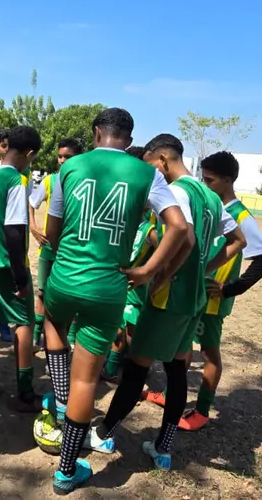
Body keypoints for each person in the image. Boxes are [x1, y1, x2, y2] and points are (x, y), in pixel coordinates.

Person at [40, 109, 189, 494]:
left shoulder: (70, 167)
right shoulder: (148, 174)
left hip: (65, 277)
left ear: (96, 133)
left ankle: (58, 400)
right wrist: (148, 271)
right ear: (128, 137)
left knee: (52, 325)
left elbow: (53, 231)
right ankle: (66, 470)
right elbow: (179, 227)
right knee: (86, 380)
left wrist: (68, 256)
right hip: (109, 287)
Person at [87, 134, 247, 472]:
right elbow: (237, 240)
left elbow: (185, 239)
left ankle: (102, 432)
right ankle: (163, 447)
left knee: (136, 371)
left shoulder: (177, 192)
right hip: (194, 301)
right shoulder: (211, 196)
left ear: (161, 159)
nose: (150, 177)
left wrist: (157, 272)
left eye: (150, 168)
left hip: (168, 300)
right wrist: (206, 266)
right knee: (176, 372)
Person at [145, 151, 262, 431]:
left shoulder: (239, 214)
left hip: (213, 301)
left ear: (228, 180)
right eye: (202, 178)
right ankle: (171, 395)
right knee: (182, 349)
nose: (204, 185)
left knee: (209, 354)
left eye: (210, 180)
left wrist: (229, 289)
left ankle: (202, 410)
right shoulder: (207, 204)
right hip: (194, 293)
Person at [0, 125, 43, 411]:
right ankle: (26, 392)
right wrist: (20, 277)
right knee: (25, 324)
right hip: (7, 264)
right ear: (28, 153)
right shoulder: (15, 180)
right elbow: (14, 230)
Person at [100, 147, 161, 382]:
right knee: (117, 327)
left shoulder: (149, 222)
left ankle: (131, 372)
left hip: (135, 285)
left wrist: (151, 270)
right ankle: (120, 364)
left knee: (129, 328)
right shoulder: (119, 207)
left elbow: (168, 241)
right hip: (112, 278)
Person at [28, 138, 83, 351]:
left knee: (73, 296)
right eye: (60, 156)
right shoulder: (50, 181)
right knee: (42, 292)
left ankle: (69, 338)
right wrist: (33, 228)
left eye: (67, 157)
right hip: (49, 249)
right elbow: (32, 203)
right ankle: (36, 337)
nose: (62, 160)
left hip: (72, 250)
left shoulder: (84, 182)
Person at [0, 128, 15, 344]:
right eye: (3, 145)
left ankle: (4, 324)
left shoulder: (19, 175)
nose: (6, 149)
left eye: (10, 145)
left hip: (5, 240)